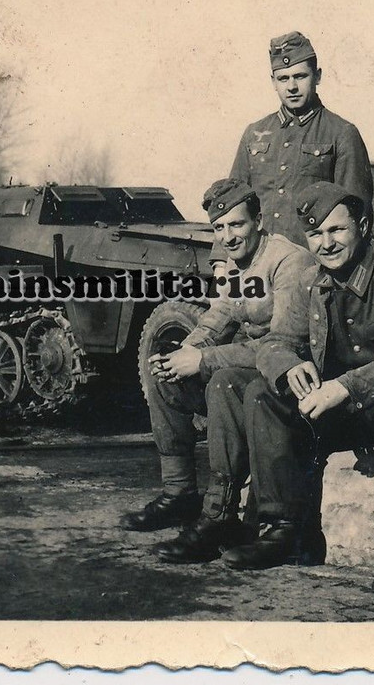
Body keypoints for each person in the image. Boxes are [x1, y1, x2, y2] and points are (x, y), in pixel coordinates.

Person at [214, 181, 374, 598]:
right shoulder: (308, 281)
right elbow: (275, 342)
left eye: (336, 230)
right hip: (346, 416)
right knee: (262, 393)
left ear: (363, 227)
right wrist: (289, 365)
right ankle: (285, 529)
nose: (326, 243)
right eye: (315, 234)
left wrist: (345, 387)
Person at [119, 178, 314, 533]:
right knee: (164, 376)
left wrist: (203, 361)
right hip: (250, 366)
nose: (227, 237)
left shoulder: (289, 261)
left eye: (236, 224)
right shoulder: (240, 261)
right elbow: (221, 315)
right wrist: (186, 350)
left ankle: (220, 508)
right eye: (219, 228)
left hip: (284, 376)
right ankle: (178, 494)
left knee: (223, 381)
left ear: (258, 220)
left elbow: (286, 346)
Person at [228, 31, 374, 247]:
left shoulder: (342, 133)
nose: (292, 87)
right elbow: (231, 202)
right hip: (259, 258)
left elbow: (356, 212)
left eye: (300, 76)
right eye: (283, 78)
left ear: (318, 76)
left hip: (313, 259)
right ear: (273, 82)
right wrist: (220, 260)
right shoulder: (254, 132)